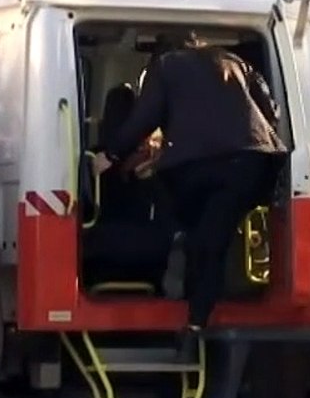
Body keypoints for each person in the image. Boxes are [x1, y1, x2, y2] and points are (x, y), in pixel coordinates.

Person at [94, 30, 288, 353]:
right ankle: (197, 319)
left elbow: (145, 116)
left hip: (194, 168)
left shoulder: (166, 65)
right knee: (217, 236)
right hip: (252, 164)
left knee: (189, 222)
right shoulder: (234, 61)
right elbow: (273, 111)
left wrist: (110, 155)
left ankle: (178, 244)